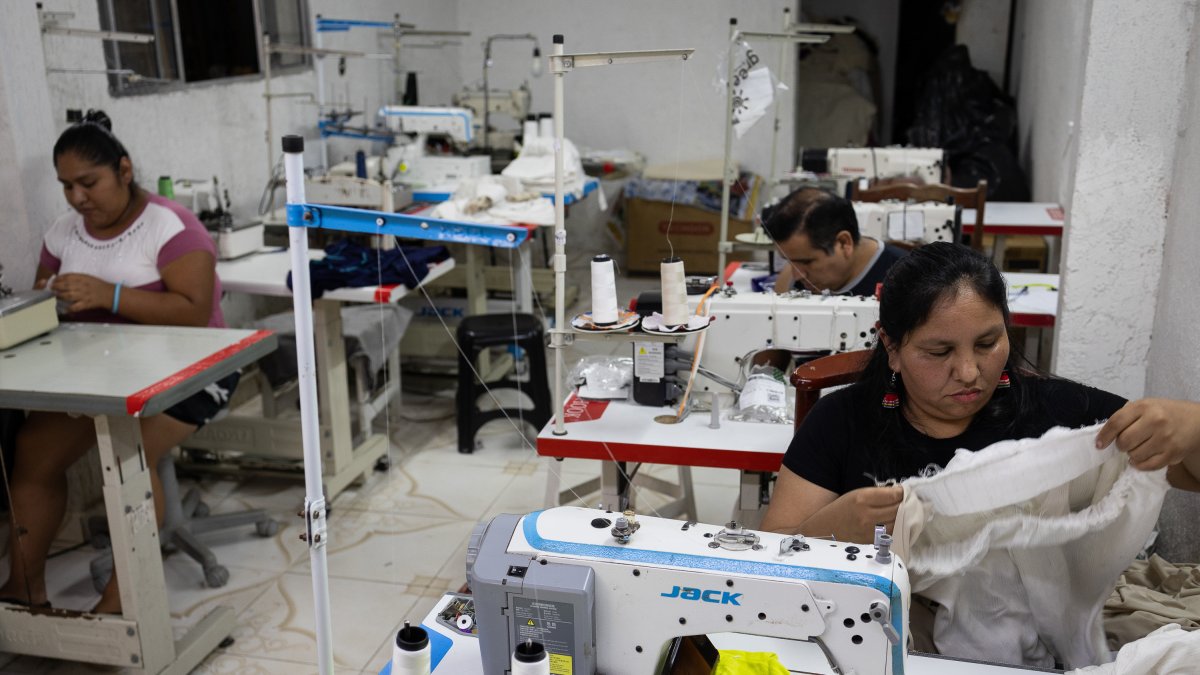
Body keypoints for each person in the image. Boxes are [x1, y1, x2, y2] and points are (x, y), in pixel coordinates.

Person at [761, 242, 1200, 543]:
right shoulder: (842, 420)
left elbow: (1190, 474)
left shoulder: (1062, 415)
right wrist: (833, 526)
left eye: (988, 344)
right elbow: (771, 555)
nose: (969, 372)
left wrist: (1192, 426)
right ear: (892, 347)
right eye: (939, 351)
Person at [0, 110, 237, 614]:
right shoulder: (64, 232)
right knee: (31, 453)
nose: (78, 198)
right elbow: (45, 300)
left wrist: (109, 295)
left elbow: (194, 315)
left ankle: (124, 613)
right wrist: (51, 298)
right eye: (67, 187)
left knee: (125, 459)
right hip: (99, 375)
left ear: (124, 171)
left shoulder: (171, 226)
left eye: (89, 183)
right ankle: (23, 588)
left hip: (191, 373)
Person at [762, 186, 907, 296]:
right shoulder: (790, 280)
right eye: (790, 261)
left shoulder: (909, 279)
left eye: (807, 262)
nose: (797, 275)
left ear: (844, 243)